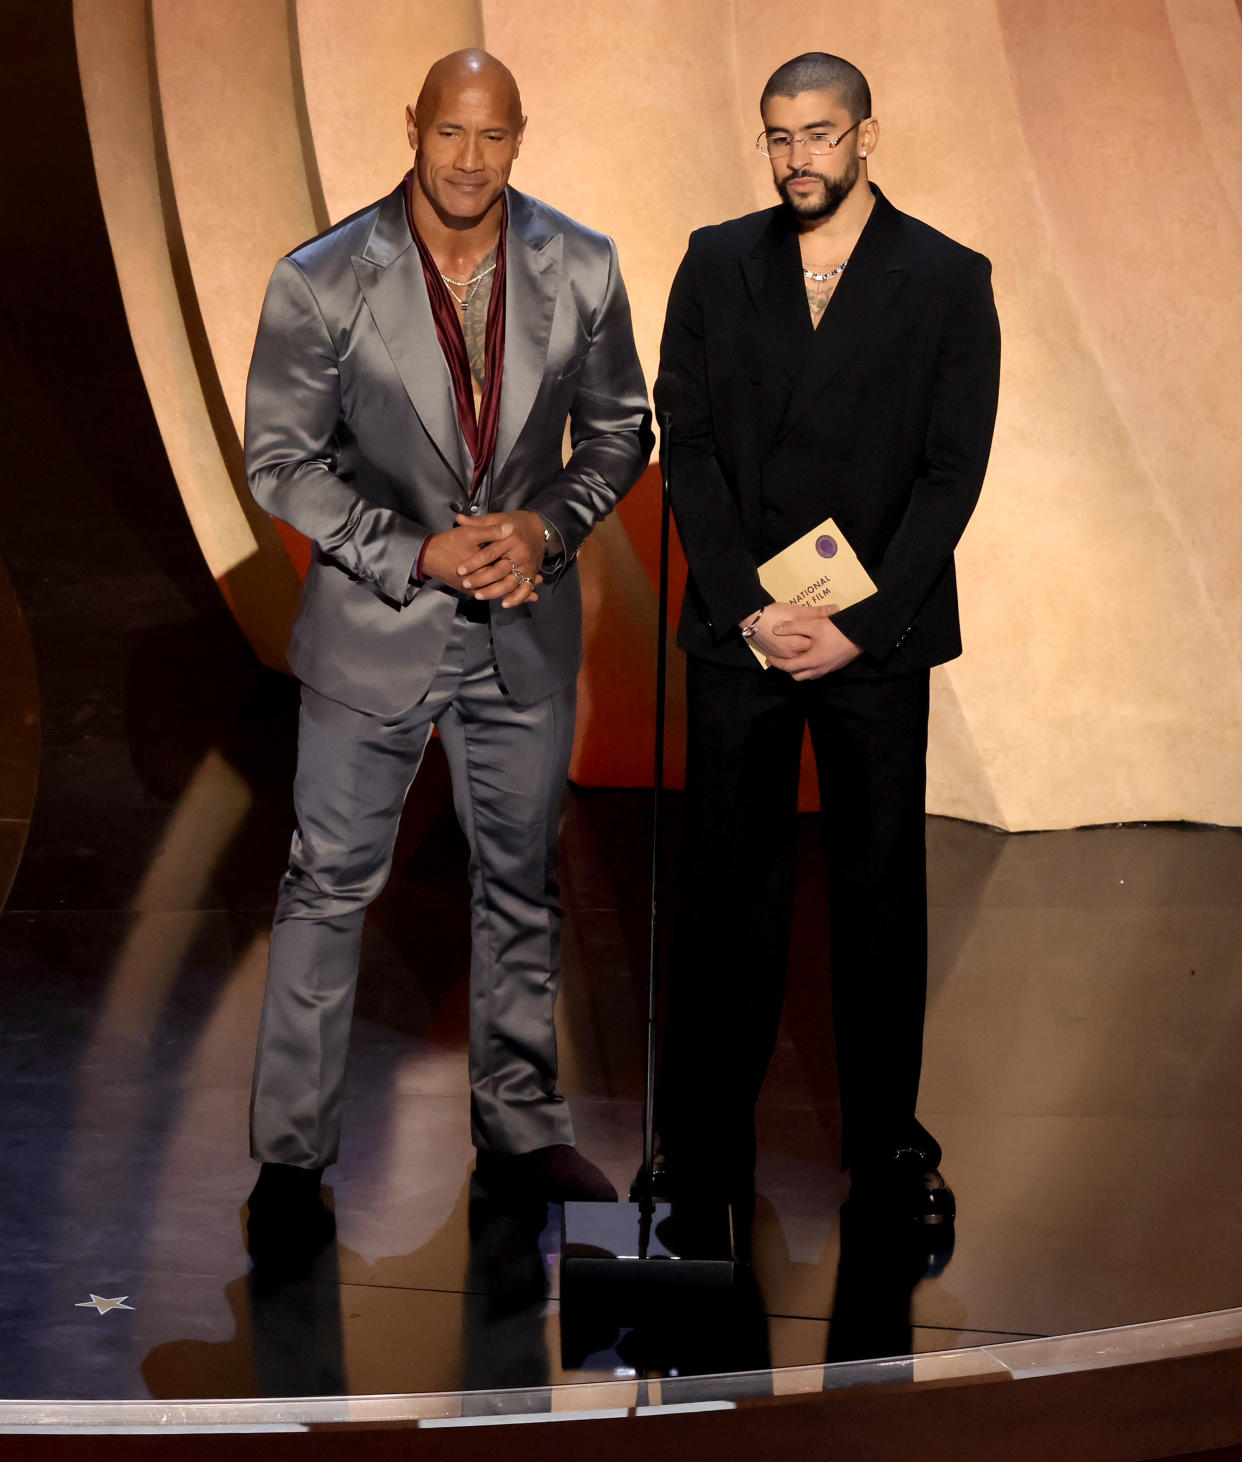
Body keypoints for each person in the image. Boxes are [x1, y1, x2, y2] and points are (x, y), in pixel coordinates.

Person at [243, 49, 653, 1259]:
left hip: (523, 628)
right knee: (327, 891)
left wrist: (549, 527)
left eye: (493, 137)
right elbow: (282, 461)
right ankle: (288, 1157)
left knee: (520, 884)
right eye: (447, 135)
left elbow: (621, 431)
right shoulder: (321, 280)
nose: (468, 161)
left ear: (520, 137)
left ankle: (521, 1130)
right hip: (376, 632)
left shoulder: (580, 264)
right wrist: (415, 554)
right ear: (410, 129)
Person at [652, 52, 1000, 1225]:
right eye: (779, 138)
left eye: (820, 135)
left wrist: (856, 624)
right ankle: (700, 1140)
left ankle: (887, 1143)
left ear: (866, 135)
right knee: (723, 892)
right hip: (742, 625)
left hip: (874, 637)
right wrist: (750, 605)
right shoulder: (713, 261)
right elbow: (686, 440)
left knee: (879, 889)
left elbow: (952, 474)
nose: (799, 158)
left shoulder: (948, 278)